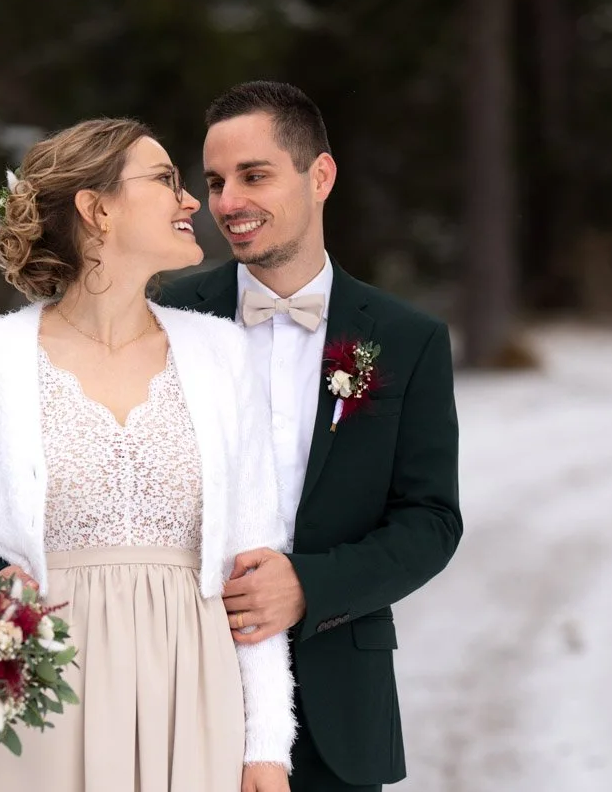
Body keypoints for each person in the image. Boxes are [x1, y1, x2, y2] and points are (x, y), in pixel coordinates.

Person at [0, 117, 294, 792]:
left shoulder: (222, 354)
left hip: (195, 688)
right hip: (45, 692)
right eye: (166, 180)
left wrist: (267, 744)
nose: (191, 200)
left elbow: (252, 561)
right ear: (97, 209)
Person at [154, 82, 463, 792]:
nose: (228, 202)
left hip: (337, 706)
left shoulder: (406, 339)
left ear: (319, 176)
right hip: (181, 690)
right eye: (216, 182)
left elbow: (431, 521)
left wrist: (308, 586)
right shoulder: (166, 317)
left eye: (254, 175)